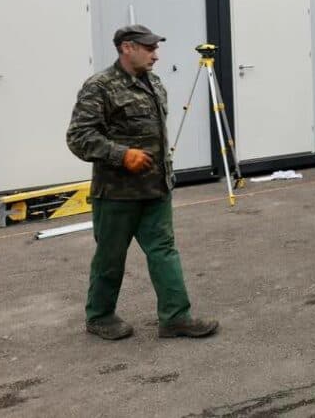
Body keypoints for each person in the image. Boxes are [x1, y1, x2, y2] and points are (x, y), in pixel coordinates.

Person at [67, 24, 219, 341]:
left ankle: (176, 317)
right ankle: (100, 316)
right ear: (127, 48)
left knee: (164, 251)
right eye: (149, 49)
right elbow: (79, 137)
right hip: (117, 194)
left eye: (155, 48)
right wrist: (121, 155)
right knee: (110, 257)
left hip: (156, 188)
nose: (156, 55)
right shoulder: (100, 87)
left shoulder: (155, 83)